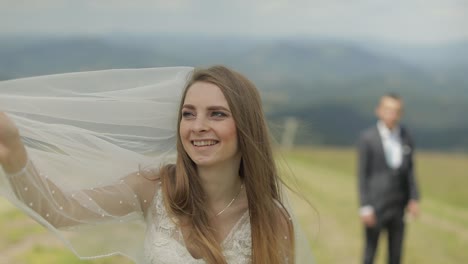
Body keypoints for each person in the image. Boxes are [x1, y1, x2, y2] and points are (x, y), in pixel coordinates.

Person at [0, 66, 312, 264]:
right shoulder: (153, 188)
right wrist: (14, 149)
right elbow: (60, 209)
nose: (197, 126)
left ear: (245, 127)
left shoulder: (271, 219)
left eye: (216, 114)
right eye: (188, 114)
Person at [357, 93, 420, 264]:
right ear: (379, 111)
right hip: (376, 205)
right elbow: (362, 174)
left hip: (398, 206)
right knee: (370, 252)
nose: (392, 114)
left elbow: (411, 171)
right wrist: (365, 206)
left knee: (396, 253)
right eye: (388, 110)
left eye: (396, 111)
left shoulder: (406, 136)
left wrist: (414, 198)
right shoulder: (368, 138)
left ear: (400, 113)